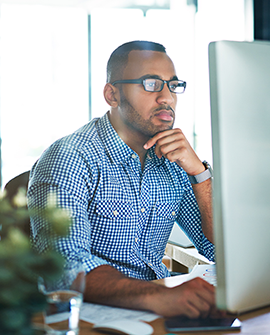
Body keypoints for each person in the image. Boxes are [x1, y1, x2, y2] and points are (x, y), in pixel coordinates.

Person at [28, 40, 217, 318]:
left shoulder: (175, 159)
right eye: (151, 84)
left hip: (155, 310)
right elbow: (65, 268)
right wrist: (160, 296)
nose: (166, 97)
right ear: (112, 95)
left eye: (173, 85)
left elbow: (219, 249)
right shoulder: (70, 157)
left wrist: (200, 174)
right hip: (88, 317)